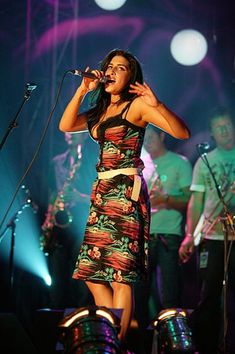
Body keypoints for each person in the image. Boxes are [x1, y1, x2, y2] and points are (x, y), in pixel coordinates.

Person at [58, 48, 190, 346]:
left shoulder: (137, 107)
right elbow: (65, 125)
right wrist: (82, 91)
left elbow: (182, 132)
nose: (112, 71)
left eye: (121, 67)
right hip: (102, 193)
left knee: (119, 273)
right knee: (92, 272)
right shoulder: (99, 111)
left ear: (131, 77)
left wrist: (158, 105)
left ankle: (118, 342)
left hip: (126, 192)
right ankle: (110, 331)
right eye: (110, 66)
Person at [179, 106, 235, 353]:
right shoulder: (204, 162)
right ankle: (207, 346)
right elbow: (196, 203)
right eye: (219, 128)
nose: (225, 131)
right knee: (209, 296)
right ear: (212, 133)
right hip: (213, 238)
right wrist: (190, 236)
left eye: (228, 126)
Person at [134, 125, 192, 334]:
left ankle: (173, 339)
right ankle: (140, 340)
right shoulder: (139, 165)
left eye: (150, 137)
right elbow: (132, 199)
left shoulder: (179, 163)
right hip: (142, 237)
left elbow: (189, 199)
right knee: (139, 295)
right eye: (144, 139)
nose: (146, 142)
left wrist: (166, 199)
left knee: (169, 294)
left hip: (169, 235)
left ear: (162, 135)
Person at [41, 131, 98, 309]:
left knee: (81, 277)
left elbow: (102, 196)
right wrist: (49, 218)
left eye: (75, 131)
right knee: (58, 277)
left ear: (85, 135)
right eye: (67, 131)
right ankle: (55, 322)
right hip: (60, 224)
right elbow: (52, 193)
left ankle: (81, 317)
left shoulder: (92, 162)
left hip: (83, 223)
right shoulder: (57, 161)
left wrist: (79, 197)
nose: (69, 134)